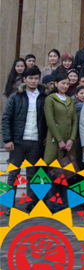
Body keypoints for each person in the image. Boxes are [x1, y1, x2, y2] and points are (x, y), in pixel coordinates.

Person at [3, 66, 48, 202]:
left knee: (32, 175)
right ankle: (9, 205)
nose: (33, 81)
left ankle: (30, 204)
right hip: (18, 142)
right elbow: (6, 118)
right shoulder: (16, 97)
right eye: (31, 78)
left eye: (36, 78)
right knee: (13, 175)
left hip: (36, 141)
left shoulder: (44, 97)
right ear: (25, 79)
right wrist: (7, 139)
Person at [43, 73, 78, 164]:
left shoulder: (70, 100)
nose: (65, 86)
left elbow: (75, 121)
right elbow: (50, 121)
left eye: (67, 84)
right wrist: (59, 140)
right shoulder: (50, 99)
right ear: (56, 83)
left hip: (69, 140)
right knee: (53, 169)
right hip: (55, 139)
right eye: (63, 83)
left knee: (68, 170)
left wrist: (71, 139)